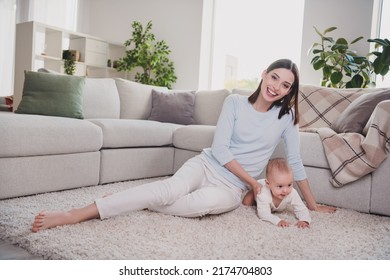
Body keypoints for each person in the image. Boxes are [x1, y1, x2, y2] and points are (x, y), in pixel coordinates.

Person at [32, 58, 336, 232]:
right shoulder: (233, 103)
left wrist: (311, 204)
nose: (277, 87)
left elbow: (294, 161)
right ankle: (77, 214)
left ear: (289, 91)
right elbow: (219, 150)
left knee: (200, 206)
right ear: (263, 75)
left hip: (231, 189)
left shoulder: (287, 116)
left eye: (286, 85)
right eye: (274, 77)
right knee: (169, 190)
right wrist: (253, 185)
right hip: (206, 165)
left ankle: (134, 198)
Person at [245, 157, 311, 228]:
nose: (285, 190)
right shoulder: (263, 193)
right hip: (258, 188)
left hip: (268, 190)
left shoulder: (292, 192)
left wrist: (304, 220)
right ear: (268, 183)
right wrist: (277, 221)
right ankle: (252, 191)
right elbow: (263, 214)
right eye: (280, 186)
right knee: (246, 202)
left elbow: (301, 208)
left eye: (289, 184)